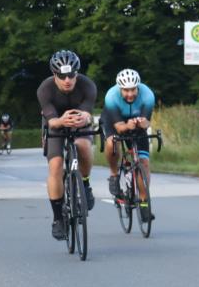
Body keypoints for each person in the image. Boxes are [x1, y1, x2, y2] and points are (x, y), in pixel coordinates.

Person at [37, 50, 98, 240]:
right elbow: (52, 122)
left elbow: (88, 113)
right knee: (55, 165)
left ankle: (85, 185)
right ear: (54, 75)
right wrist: (61, 120)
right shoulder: (45, 89)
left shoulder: (87, 85)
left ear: (77, 73)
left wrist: (84, 117)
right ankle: (58, 218)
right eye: (62, 76)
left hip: (79, 122)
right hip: (56, 123)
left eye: (71, 75)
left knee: (84, 146)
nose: (67, 80)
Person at [101, 68, 156, 220]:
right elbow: (119, 127)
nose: (130, 94)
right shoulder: (111, 97)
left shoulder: (148, 95)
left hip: (136, 123)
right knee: (112, 143)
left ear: (138, 87)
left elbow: (146, 122)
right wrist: (127, 125)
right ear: (120, 88)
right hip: (115, 122)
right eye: (126, 90)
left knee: (143, 162)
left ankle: (144, 204)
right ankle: (113, 175)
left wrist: (143, 123)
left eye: (133, 90)